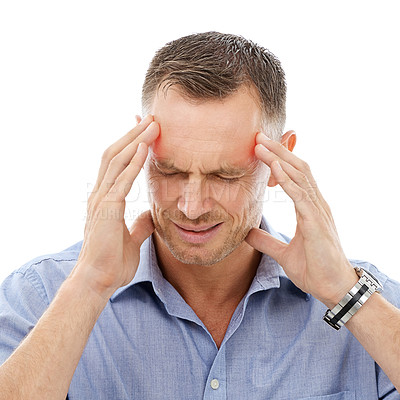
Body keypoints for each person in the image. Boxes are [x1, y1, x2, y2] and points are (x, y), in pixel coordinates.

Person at [0, 31, 399, 400]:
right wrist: (88, 286)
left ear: (281, 159)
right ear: (140, 147)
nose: (192, 208)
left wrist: (346, 295)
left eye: (225, 175)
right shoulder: (39, 297)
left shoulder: (374, 308)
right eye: (170, 171)